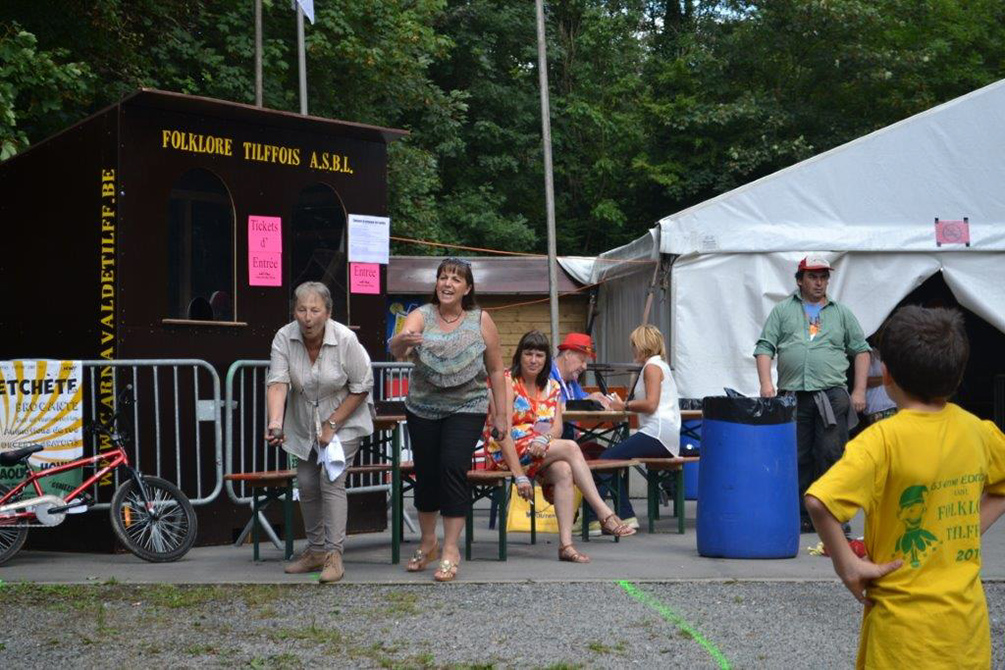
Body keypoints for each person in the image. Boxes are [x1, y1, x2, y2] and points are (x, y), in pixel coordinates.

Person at [804, 305, 1005, 669]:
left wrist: (847, 566)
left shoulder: (880, 440)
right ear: (959, 377)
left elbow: (820, 501)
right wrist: (969, 527)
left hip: (901, 639)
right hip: (966, 635)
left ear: (888, 374)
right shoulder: (977, 431)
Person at [388, 258, 509, 582]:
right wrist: (402, 341)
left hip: (467, 405)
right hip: (422, 406)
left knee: (452, 466)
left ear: (467, 288)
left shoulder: (480, 320)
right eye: (443, 277)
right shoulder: (422, 315)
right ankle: (428, 543)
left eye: (456, 279)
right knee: (426, 472)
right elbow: (396, 349)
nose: (447, 283)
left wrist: (501, 414)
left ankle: (451, 549)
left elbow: (496, 369)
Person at [484, 330, 636, 563]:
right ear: (519, 356)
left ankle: (566, 545)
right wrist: (519, 476)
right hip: (506, 452)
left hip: (537, 450)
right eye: (528, 354)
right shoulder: (507, 382)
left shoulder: (553, 387)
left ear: (546, 359)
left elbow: (555, 428)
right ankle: (604, 513)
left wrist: (544, 440)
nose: (533, 360)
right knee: (572, 448)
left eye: (539, 355)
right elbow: (501, 431)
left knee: (565, 469)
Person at [265, 281, 374, 584]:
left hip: (346, 416)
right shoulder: (283, 338)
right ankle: (314, 550)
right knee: (307, 482)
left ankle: (334, 555)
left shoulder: (345, 338)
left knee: (331, 479)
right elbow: (277, 382)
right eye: (301, 309)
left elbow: (362, 385)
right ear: (294, 311)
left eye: (315, 310)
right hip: (303, 420)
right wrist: (275, 422)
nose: (308, 317)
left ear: (328, 312)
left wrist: (332, 425)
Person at [754, 256, 871, 533]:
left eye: (823, 277)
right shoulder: (783, 310)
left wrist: (859, 390)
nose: (819, 282)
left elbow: (861, 350)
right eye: (813, 277)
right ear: (799, 280)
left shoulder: (841, 312)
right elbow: (764, 347)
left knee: (831, 454)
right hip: (794, 395)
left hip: (832, 394)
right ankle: (803, 516)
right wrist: (765, 385)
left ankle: (834, 517)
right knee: (797, 456)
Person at [586, 324, 681, 533]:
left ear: (643, 346)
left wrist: (624, 406)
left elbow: (651, 404)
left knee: (605, 459)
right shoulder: (659, 365)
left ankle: (591, 517)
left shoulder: (652, 367)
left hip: (657, 433)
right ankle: (626, 514)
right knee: (613, 459)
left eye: (634, 345)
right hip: (664, 434)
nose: (633, 350)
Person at [550, 332, 610, 442]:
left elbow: (581, 398)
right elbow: (553, 408)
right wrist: (586, 402)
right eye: (582, 361)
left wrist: (596, 399)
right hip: (548, 440)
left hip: (569, 438)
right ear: (567, 354)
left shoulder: (571, 380)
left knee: (594, 445)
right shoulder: (546, 374)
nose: (585, 367)